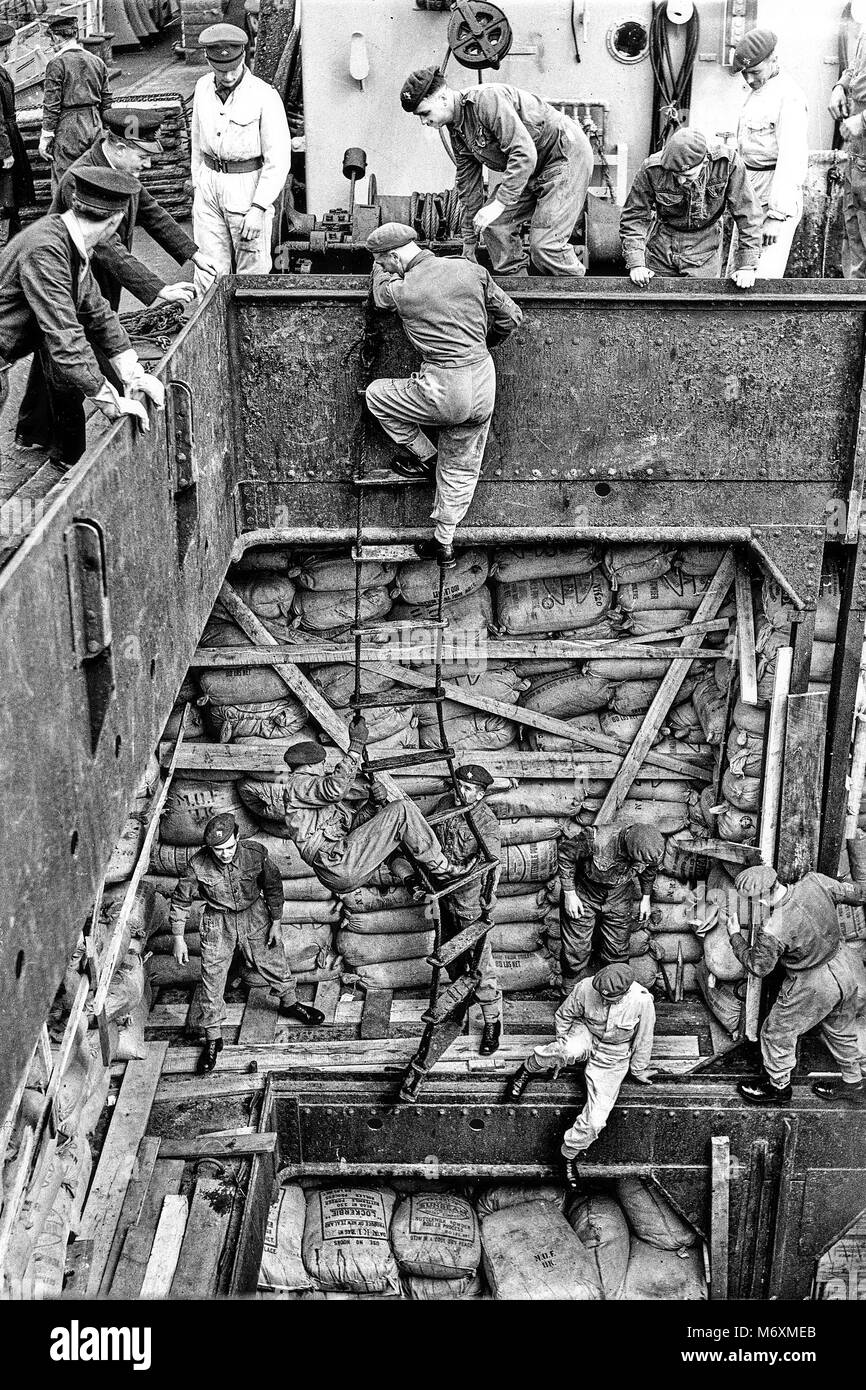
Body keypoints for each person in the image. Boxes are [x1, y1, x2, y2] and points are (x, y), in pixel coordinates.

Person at [16, 106, 213, 454]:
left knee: (60, 347)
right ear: (119, 148)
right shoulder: (83, 182)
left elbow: (152, 214)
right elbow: (108, 247)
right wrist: (158, 289)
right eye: (142, 155)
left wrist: (193, 253)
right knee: (70, 353)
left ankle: (33, 431)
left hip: (90, 280)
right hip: (69, 278)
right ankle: (68, 454)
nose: (147, 164)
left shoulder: (120, 176)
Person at [365, 221, 522, 565]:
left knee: (377, 395)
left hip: (443, 387)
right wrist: (485, 344)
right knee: (463, 465)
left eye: (382, 261)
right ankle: (444, 543)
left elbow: (379, 295)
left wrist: (381, 273)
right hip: (483, 381)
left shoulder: (403, 290)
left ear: (394, 255)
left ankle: (426, 456)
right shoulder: (471, 270)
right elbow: (511, 316)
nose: (382, 268)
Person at [0, 166, 164, 462]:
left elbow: (97, 311)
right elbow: (66, 337)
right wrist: (109, 400)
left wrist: (133, 374)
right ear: (115, 221)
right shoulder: (46, 250)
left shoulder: (64, 238)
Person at [400, 66, 593, 277]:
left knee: (547, 247)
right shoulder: (456, 129)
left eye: (425, 113)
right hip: (531, 168)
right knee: (494, 224)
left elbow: (523, 153)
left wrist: (499, 204)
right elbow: (469, 187)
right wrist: (469, 243)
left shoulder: (486, 100)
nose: (424, 122)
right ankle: (520, 292)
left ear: (443, 98)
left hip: (563, 155)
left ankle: (582, 305)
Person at [169, 813, 324, 1074]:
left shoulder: (255, 853)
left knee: (273, 960)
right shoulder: (197, 865)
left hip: (255, 915)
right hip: (218, 921)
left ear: (238, 837)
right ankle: (212, 1038)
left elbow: (273, 886)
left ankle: (290, 1003)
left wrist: (275, 922)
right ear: (209, 848)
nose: (224, 854)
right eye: (218, 850)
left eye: (229, 847)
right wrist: (177, 937)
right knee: (212, 976)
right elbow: (181, 900)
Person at [505, 963, 656, 1182]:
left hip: (614, 1053)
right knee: (564, 1050)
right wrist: (561, 1052)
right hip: (586, 1032)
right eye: (602, 996)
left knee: (596, 1121)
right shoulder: (585, 987)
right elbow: (564, 1016)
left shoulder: (642, 1000)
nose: (604, 1001)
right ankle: (526, 1069)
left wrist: (638, 1069)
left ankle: (567, 1155)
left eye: (611, 999)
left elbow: (644, 1038)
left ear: (625, 991)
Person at [730, 864, 866, 1105]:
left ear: (760, 901)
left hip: (814, 983)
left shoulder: (774, 927)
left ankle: (778, 1088)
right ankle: (854, 1083)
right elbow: (855, 895)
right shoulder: (815, 882)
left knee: (777, 1032)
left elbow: (758, 967)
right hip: (846, 965)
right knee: (840, 1026)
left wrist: (735, 938)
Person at [276, 719, 462, 894]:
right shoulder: (297, 784)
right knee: (402, 810)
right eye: (322, 764)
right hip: (336, 863)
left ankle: (412, 880)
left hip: (339, 870)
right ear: (309, 764)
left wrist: (372, 804)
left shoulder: (310, 797)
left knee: (395, 837)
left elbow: (353, 829)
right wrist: (356, 747)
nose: (324, 769)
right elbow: (335, 788)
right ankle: (443, 869)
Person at [190, 23, 290, 295]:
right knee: (208, 270)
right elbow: (197, 144)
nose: (229, 75)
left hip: (247, 188)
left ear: (243, 57)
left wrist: (259, 208)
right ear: (209, 61)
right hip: (209, 183)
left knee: (252, 271)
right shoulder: (201, 88)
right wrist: (198, 185)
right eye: (221, 69)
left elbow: (278, 159)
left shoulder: (264, 95)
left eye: (234, 67)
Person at [620, 127, 763, 285]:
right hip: (661, 248)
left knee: (700, 305)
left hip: (706, 247)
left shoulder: (727, 164)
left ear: (705, 163)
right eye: (676, 175)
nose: (681, 181)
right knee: (658, 305)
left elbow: (748, 213)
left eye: (687, 176)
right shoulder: (652, 169)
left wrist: (746, 266)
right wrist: (636, 264)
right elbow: (634, 216)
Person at [428, 763, 502, 1056]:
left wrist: (488, 900)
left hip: (471, 903)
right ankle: (461, 1001)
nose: (462, 791)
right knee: (450, 956)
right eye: (459, 784)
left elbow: (492, 864)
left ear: (481, 794)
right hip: (443, 896)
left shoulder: (485, 822)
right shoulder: (446, 804)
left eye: (469, 789)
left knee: (481, 965)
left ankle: (492, 1023)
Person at [729, 28, 808, 279]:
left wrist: (776, 216)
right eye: (745, 73)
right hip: (749, 190)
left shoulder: (789, 97)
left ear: (774, 60)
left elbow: (792, 159)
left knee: (762, 276)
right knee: (738, 271)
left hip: (774, 192)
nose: (749, 79)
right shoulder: (755, 92)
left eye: (755, 72)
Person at [557, 823, 664, 994]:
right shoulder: (595, 838)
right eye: (639, 861)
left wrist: (646, 897)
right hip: (585, 891)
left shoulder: (650, 848)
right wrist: (569, 893)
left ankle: (614, 997)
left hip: (619, 895)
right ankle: (571, 995)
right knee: (576, 948)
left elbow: (650, 869)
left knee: (618, 950)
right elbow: (565, 854)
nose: (642, 865)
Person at [39, 16, 112, 192]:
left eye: (51, 39)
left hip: (69, 126)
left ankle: (66, 217)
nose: (51, 44)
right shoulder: (97, 61)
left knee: (66, 180)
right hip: (95, 123)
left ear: (56, 38)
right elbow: (107, 101)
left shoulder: (56, 64)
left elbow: (52, 104)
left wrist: (46, 137)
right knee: (96, 176)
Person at [831, 16, 866, 279]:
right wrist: (841, 85)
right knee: (854, 230)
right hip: (859, 150)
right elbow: (857, 64)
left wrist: (863, 120)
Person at [0, 22, 35, 243]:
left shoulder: (1, 72)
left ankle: (15, 242)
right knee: (5, 197)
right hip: (3, 142)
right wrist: (5, 152)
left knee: (10, 196)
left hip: (8, 136)